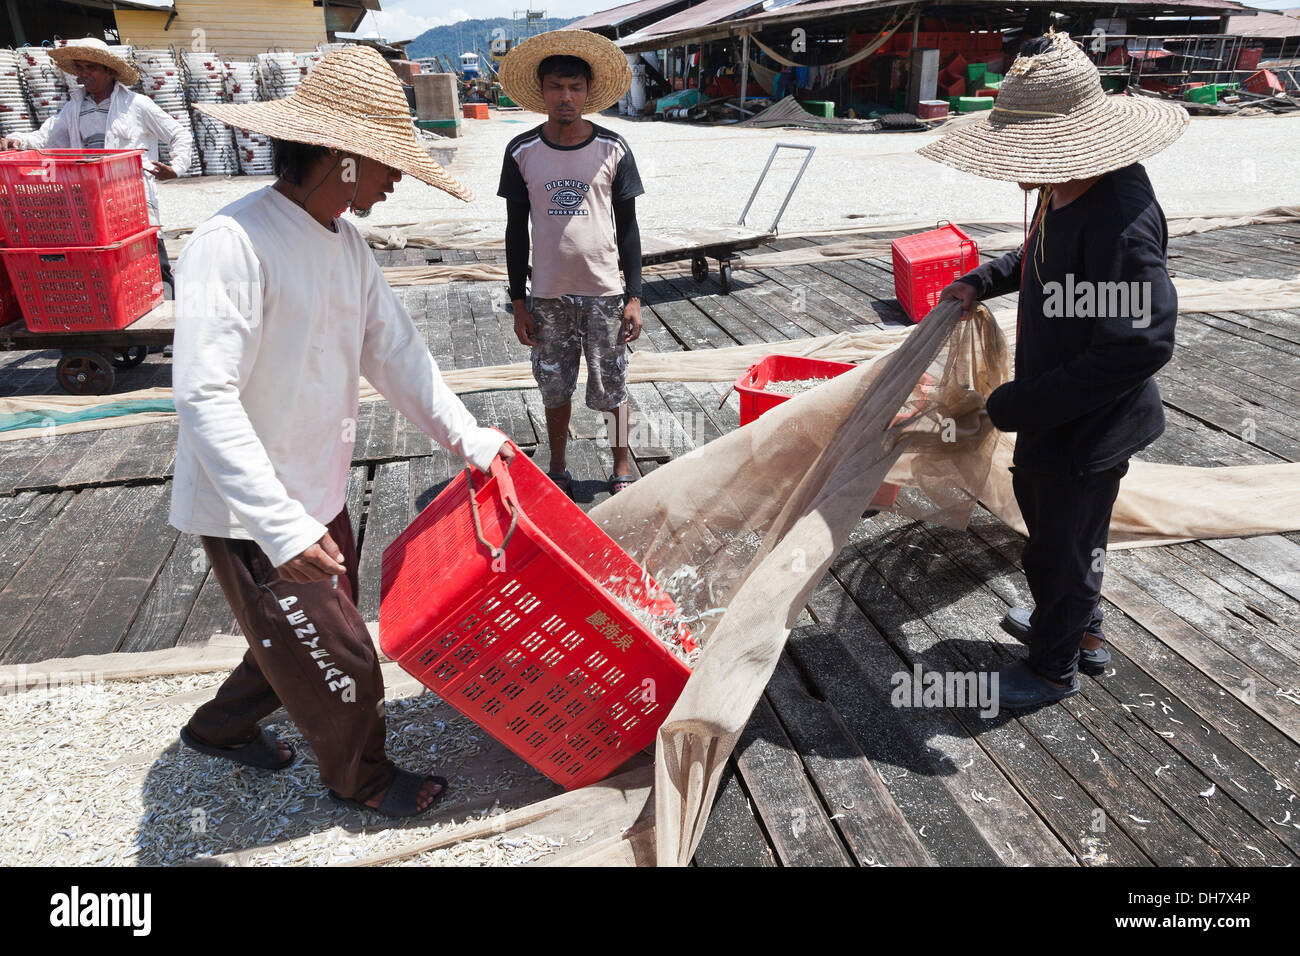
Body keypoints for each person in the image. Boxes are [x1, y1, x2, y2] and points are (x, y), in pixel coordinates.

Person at [169, 46, 513, 817]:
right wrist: (278, 527)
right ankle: (359, 778)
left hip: (315, 488)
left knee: (294, 635)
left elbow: (394, 352)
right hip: (253, 507)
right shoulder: (233, 244)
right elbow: (203, 394)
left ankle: (218, 729)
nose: (395, 183)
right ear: (344, 157)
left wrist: (469, 438)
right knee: (345, 653)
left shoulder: (343, 243)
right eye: (389, 166)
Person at [921, 31, 1187, 708]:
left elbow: (1142, 343)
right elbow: (1034, 256)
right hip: (1054, 408)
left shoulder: (1121, 218)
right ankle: (1083, 631)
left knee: (1059, 550)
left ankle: (1051, 667)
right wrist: (980, 281)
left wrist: (1020, 403)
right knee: (1068, 537)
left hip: (1085, 425)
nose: (1021, 167)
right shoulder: (1064, 187)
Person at [497, 30, 644, 497]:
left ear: (587, 93)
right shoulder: (521, 151)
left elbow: (630, 229)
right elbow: (515, 230)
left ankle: (622, 466)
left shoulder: (613, 148)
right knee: (554, 385)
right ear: (542, 92)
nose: (566, 97)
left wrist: (635, 295)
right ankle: (557, 464)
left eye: (575, 88)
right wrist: (518, 301)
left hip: (604, 293)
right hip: (547, 296)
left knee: (612, 385)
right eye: (557, 87)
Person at [1, 38, 192, 292]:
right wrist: (15, 141)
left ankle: (167, 312)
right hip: (92, 199)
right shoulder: (74, 108)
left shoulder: (136, 105)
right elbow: (45, 138)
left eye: (90, 67)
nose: (83, 74)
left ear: (108, 71)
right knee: (109, 261)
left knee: (151, 259)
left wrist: (176, 167)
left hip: (132, 196)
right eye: (80, 68)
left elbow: (179, 133)